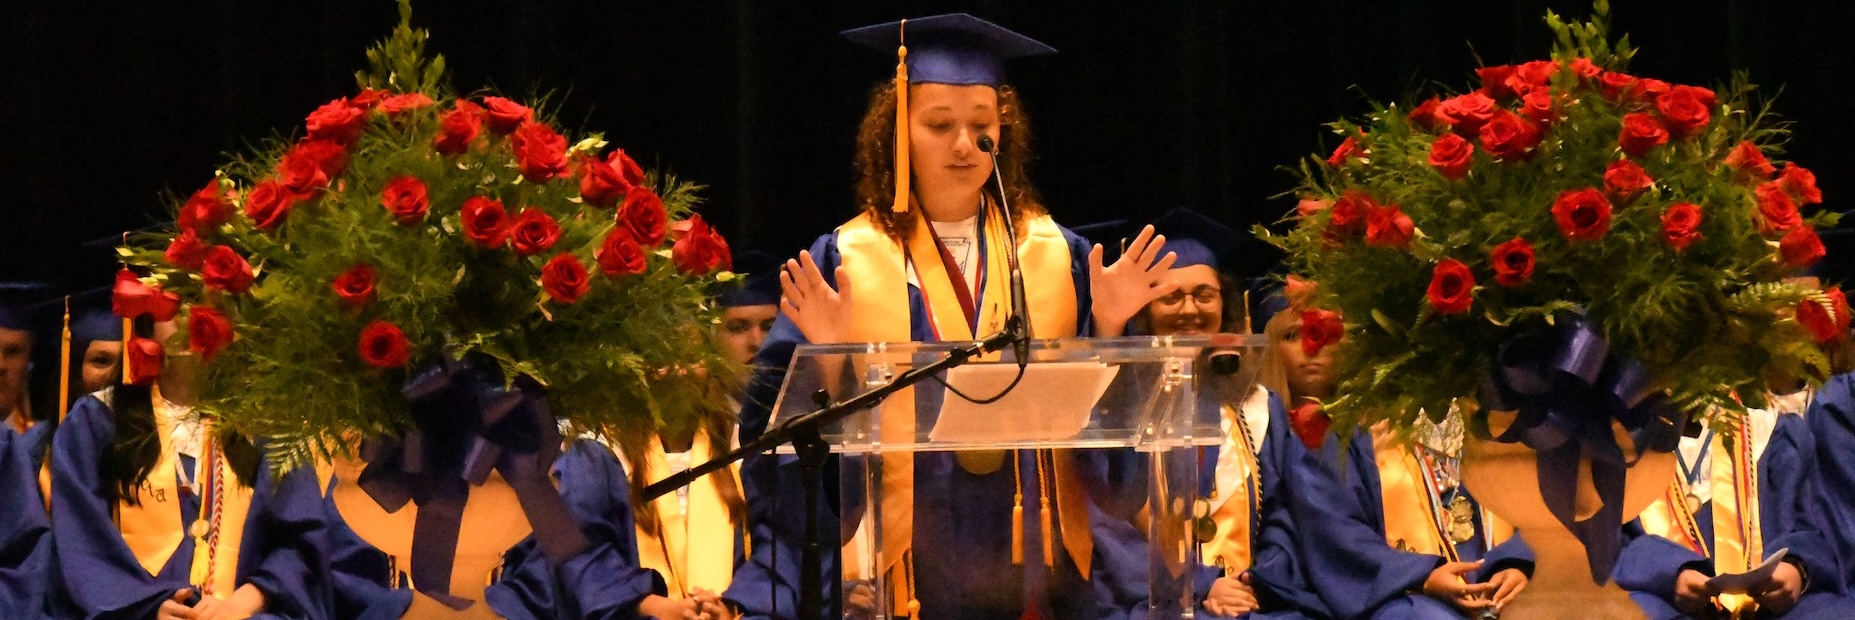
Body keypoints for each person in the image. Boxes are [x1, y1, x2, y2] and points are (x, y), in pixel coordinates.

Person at [732, 13, 1175, 619]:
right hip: (910, 564)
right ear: (897, 134)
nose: (963, 145)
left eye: (981, 127)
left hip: (1036, 563)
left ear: (1003, 135)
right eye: (939, 125)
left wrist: (1110, 330)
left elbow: (1113, 462)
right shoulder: (844, 260)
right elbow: (771, 439)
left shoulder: (1056, 255)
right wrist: (828, 362)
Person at [1257, 308, 1534, 620]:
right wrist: (1422, 575)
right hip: (1409, 595)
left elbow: (1528, 497)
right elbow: (1337, 533)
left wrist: (1515, 560)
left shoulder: (1482, 415)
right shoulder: (1341, 432)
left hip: (1501, 585)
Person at [50, 311, 320, 619]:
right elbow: (81, 541)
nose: (190, 317)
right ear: (147, 318)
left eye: (204, 300)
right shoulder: (100, 420)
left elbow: (299, 545)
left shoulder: (267, 429)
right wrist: (146, 605)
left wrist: (243, 603)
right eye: (174, 304)